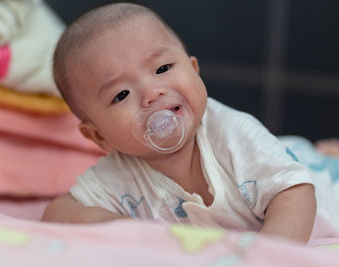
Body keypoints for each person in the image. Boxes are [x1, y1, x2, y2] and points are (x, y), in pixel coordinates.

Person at [42, 2, 317, 244]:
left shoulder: (233, 133)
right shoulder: (121, 172)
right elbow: (58, 212)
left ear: (194, 70)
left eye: (162, 69)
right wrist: (118, 227)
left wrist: (269, 255)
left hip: (328, 193)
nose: (152, 93)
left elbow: (294, 191)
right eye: (121, 94)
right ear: (99, 137)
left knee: (318, 165)